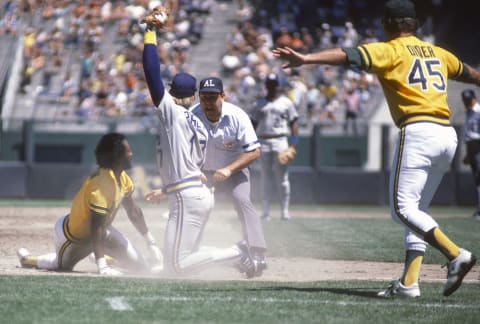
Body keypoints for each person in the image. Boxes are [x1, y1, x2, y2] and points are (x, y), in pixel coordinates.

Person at [273, 0, 480, 298]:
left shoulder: (391, 49)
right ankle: (410, 283)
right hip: (447, 135)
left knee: (402, 209)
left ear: (391, 24)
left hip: (418, 130)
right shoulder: (438, 52)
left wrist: (306, 58)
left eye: (384, 22)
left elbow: (348, 55)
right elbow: (468, 73)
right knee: (417, 212)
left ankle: (456, 254)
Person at [141, 14, 256, 277]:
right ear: (193, 95)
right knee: (177, 265)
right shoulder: (197, 121)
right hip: (192, 192)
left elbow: (150, 72)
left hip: (188, 196)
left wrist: (150, 31)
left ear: (171, 94)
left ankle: (238, 251)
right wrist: (168, 189)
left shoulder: (171, 113)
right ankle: (235, 255)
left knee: (178, 265)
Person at [17, 133, 163, 275]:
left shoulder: (123, 178)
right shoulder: (100, 185)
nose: (131, 154)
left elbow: (133, 211)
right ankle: (28, 260)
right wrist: (102, 267)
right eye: (128, 151)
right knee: (61, 266)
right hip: (74, 237)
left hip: (101, 231)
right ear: (117, 157)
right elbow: (95, 228)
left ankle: (104, 257)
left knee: (140, 267)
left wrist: (151, 242)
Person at [190, 76, 268, 277]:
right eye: (204, 97)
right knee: (194, 205)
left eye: (213, 97)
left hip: (233, 170)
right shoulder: (192, 115)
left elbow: (254, 151)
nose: (208, 102)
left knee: (242, 200)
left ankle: (257, 253)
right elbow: (182, 148)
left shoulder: (237, 116)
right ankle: (187, 250)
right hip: (203, 172)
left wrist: (229, 170)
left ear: (223, 96)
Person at [251, 72, 299, 221]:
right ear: (266, 86)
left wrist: (293, 145)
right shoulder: (259, 103)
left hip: (280, 140)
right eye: (269, 84)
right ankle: (266, 211)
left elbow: (294, 123)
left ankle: (284, 210)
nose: (272, 87)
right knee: (265, 177)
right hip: (263, 140)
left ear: (279, 86)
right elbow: (253, 124)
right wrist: (251, 143)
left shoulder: (286, 102)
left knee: (282, 178)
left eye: (274, 84)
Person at [461, 89, 480, 220]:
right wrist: (468, 153)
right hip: (472, 149)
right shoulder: (468, 112)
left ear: (475, 98)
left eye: (469, 100)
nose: (467, 102)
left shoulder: (478, 112)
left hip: (478, 147)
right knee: (477, 180)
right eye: (465, 100)